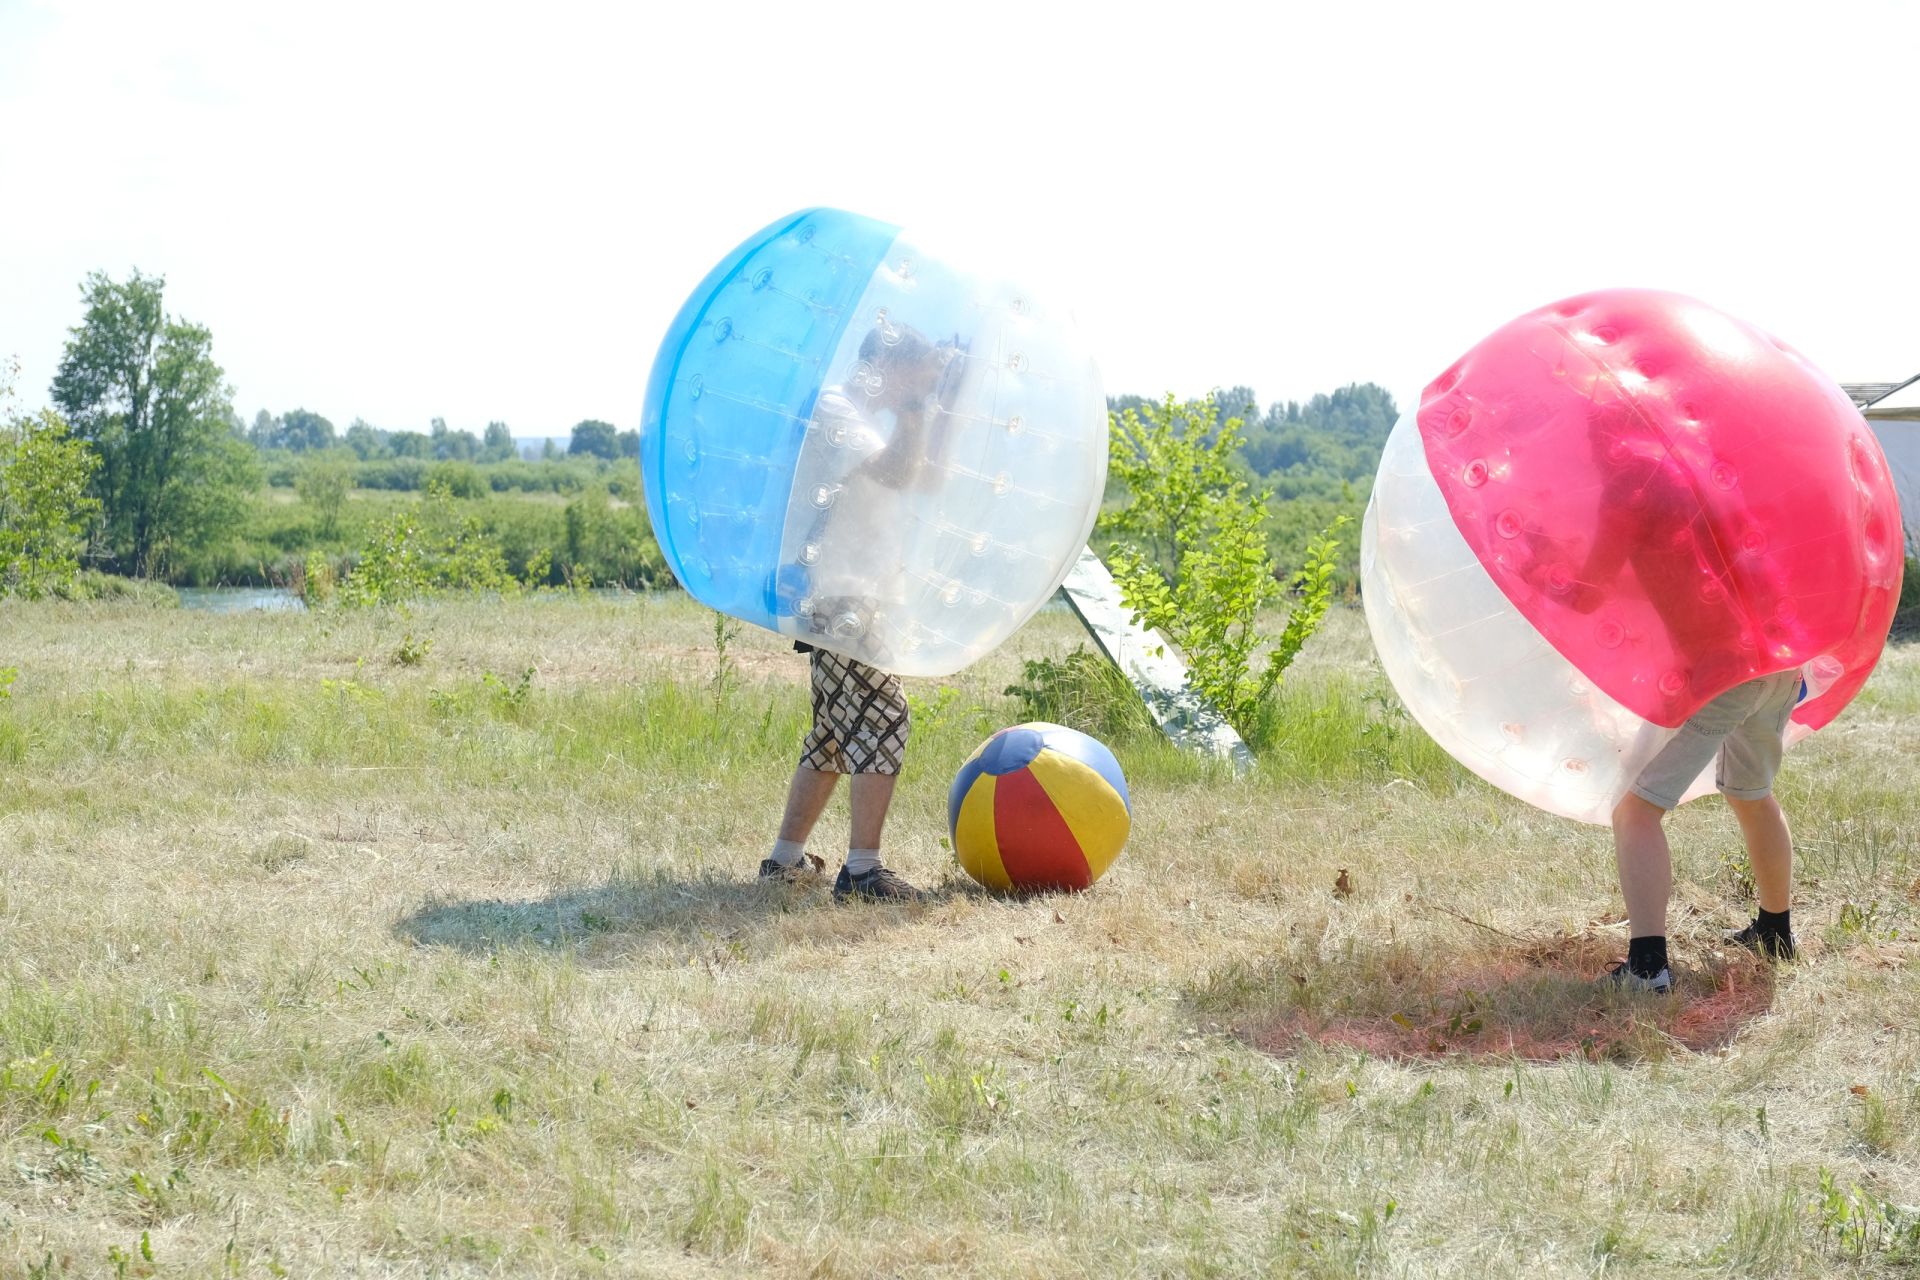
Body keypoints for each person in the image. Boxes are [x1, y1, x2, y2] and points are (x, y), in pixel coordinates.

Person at [1569, 401, 1801, 993]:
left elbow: (1587, 594)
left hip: (1723, 669)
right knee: (1752, 793)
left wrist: (1533, 562)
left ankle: (1647, 968)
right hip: (1776, 657)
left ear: (1608, 440)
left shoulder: (1629, 488)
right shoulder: (1699, 474)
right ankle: (1775, 932)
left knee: (1636, 810)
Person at [758, 324, 963, 902]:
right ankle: (863, 872)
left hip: (860, 591)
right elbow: (896, 470)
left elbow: (928, 478)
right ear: (883, 362)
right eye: (918, 372)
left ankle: (784, 861)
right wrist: (917, 413)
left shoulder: (870, 420)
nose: (921, 385)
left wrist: (935, 415)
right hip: (841, 593)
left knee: (831, 732)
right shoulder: (836, 408)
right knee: (886, 719)